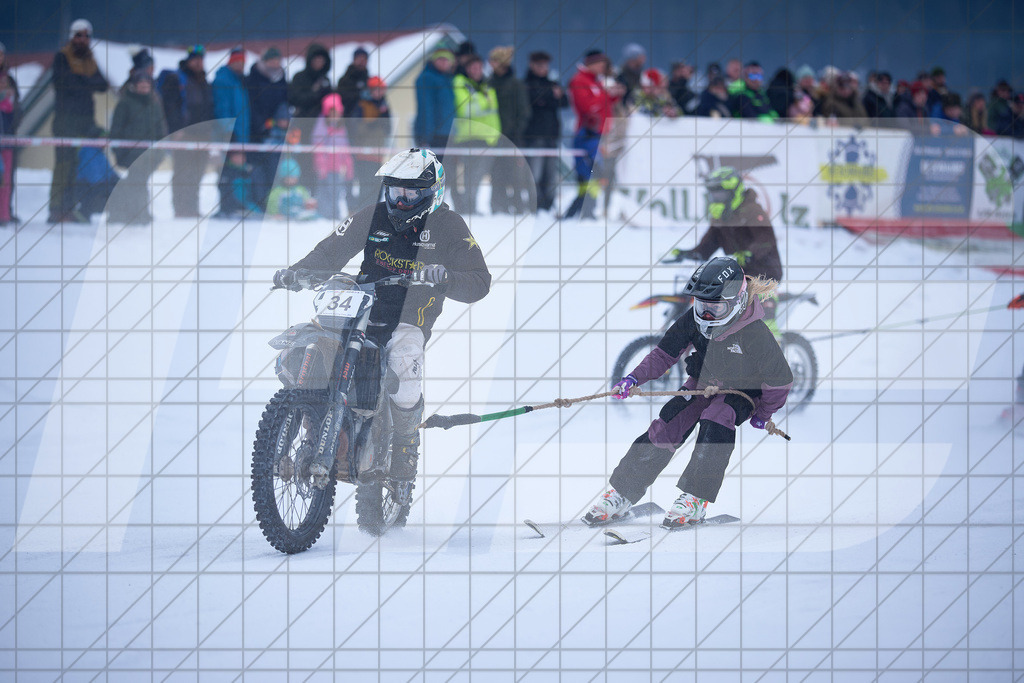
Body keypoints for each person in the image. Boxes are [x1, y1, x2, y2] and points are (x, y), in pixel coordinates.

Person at [272, 148, 491, 486]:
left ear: (433, 192)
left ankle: (405, 445)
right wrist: (298, 273)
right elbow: (331, 250)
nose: (401, 200)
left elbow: (480, 281)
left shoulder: (449, 226)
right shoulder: (373, 215)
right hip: (358, 305)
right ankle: (301, 424)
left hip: (409, 314)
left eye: (411, 193)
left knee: (403, 360)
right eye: (395, 190)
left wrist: (446, 278)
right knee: (309, 346)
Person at [587, 257, 792, 529]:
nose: (706, 313)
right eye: (701, 305)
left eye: (715, 307)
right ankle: (622, 493)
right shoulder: (693, 320)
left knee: (717, 418)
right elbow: (664, 354)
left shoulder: (755, 333)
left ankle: (695, 498)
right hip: (702, 383)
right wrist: (634, 377)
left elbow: (780, 380)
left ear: (736, 301)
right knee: (668, 423)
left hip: (741, 391)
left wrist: (763, 413)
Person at [664, 167, 783, 327]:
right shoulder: (720, 216)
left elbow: (766, 239)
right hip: (737, 272)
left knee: (756, 312)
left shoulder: (752, 210)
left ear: (734, 192)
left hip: (764, 271)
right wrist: (690, 253)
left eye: (721, 194)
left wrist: (750, 253)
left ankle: (772, 335)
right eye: (713, 194)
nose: (716, 198)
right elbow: (708, 244)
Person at [48, 19, 109, 224]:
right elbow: (65, 83)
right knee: (63, 165)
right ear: (72, 37)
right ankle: (56, 210)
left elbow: (103, 85)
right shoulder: (62, 57)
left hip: (85, 120)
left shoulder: (90, 59)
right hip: (65, 120)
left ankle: (70, 209)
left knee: (78, 167)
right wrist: (87, 82)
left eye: (86, 36)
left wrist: (81, 81)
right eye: (79, 35)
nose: (83, 39)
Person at [563, 50, 623, 220]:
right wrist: (606, 93)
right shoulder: (579, 80)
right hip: (587, 134)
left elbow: (602, 104)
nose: (603, 68)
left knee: (593, 174)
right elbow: (587, 107)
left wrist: (614, 95)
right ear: (591, 64)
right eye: (601, 65)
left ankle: (584, 210)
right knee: (591, 172)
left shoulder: (595, 81)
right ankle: (582, 210)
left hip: (599, 134)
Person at [159, 44, 214, 218]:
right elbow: (170, 107)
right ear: (188, 60)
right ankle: (181, 208)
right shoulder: (176, 79)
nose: (198, 62)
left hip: (203, 135)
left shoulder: (203, 81)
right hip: (184, 134)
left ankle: (192, 207)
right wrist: (176, 130)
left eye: (200, 59)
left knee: (197, 173)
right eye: (195, 59)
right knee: (183, 172)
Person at [108, 72, 167, 224]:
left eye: (147, 86)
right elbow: (116, 129)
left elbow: (160, 130)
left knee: (139, 182)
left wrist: (160, 152)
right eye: (141, 86)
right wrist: (119, 151)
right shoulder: (125, 104)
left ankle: (137, 213)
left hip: (150, 154)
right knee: (136, 181)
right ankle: (135, 214)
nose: (144, 89)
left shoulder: (154, 104)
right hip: (130, 153)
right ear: (134, 86)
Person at [451, 54, 500, 215]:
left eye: (479, 67)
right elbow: (464, 109)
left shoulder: (486, 86)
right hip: (469, 137)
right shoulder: (461, 83)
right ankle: (467, 207)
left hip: (487, 138)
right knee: (468, 176)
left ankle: (471, 206)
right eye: (473, 68)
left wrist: (494, 136)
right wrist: (484, 103)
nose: (476, 71)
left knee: (477, 176)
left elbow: (493, 113)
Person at [488, 46, 532, 214]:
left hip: (513, 138)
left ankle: (518, 206)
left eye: (495, 60)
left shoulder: (516, 85)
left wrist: (516, 133)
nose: (491, 64)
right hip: (493, 138)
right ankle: (498, 206)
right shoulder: (488, 83)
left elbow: (524, 112)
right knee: (496, 173)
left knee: (515, 175)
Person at [522, 50, 567, 213]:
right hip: (534, 137)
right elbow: (535, 101)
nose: (543, 68)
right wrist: (551, 97)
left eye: (545, 65)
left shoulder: (552, 83)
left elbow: (565, 102)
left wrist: (550, 98)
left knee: (551, 175)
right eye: (540, 65)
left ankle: (548, 205)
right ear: (532, 65)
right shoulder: (526, 84)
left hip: (552, 137)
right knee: (535, 174)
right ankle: (535, 205)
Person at [246, 46, 288, 208]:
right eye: (272, 60)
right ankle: (260, 204)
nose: (275, 63)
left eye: (277, 60)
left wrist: (283, 121)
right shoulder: (254, 78)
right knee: (258, 171)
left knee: (274, 170)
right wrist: (262, 125)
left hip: (277, 134)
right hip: (257, 133)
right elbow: (251, 106)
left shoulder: (281, 78)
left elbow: (284, 102)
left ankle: (272, 205)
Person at [350, 76, 392, 206]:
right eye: (377, 89)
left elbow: (388, 129)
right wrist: (374, 123)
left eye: (382, 90)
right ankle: (363, 211)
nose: (380, 93)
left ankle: (373, 211)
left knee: (377, 187)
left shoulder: (384, 106)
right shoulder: (362, 105)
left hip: (377, 154)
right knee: (366, 186)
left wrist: (384, 117)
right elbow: (356, 128)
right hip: (364, 154)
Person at [312, 93, 354, 221]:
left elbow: (345, 147)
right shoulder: (321, 126)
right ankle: (325, 214)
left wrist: (348, 165)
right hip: (326, 167)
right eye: (332, 113)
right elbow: (318, 146)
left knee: (337, 192)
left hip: (338, 168)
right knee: (325, 191)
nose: (335, 116)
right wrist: (321, 165)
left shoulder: (341, 128)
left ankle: (335, 214)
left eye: (337, 113)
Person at [413, 49, 456, 155]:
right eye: (441, 59)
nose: (444, 63)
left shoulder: (447, 79)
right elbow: (425, 109)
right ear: (434, 60)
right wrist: (425, 138)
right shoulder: (427, 78)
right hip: (434, 136)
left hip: (447, 135)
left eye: (447, 60)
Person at [0, 41, 21, 226]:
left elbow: (16, 106)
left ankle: (4, 213)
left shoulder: (9, 79)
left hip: (6, 135)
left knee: (6, 178)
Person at [337, 46, 369, 116]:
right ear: (354, 60)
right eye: (359, 58)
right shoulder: (344, 80)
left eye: (364, 59)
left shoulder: (368, 80)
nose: (362, 61)